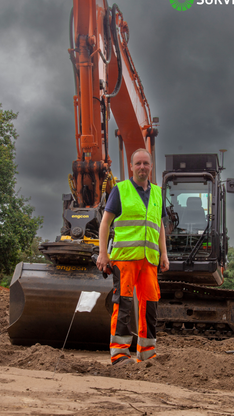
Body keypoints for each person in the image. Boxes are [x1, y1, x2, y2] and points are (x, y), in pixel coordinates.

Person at [97, 148, 169, 367]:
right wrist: (103, 253)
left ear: (151, 166)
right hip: (125, 259)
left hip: (149, 260)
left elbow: (160, 226)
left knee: (150, 306)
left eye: (146, 163)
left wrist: (164, 253)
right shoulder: (120, 190)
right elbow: (105, 223)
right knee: (124, 305)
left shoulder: (157, 192)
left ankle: (147, 353)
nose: (142, 167)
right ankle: (119, 353)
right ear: (131, 166)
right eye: (138, 163)